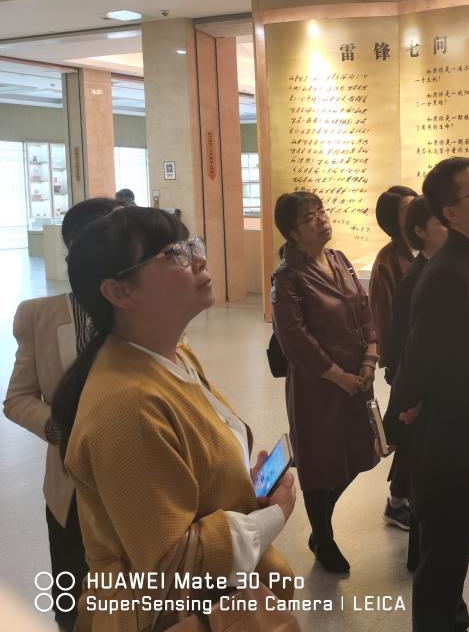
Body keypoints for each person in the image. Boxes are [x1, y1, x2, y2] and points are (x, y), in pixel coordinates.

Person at [51, 207, 295, 631]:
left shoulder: (173, 356)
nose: (198, 259)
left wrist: (243, 489)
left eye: (191, 244)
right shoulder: (129, 407)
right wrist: (273, 515)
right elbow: (172, 566)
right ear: (119, 291)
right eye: (174, 254)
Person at [389, 157, 469, 631]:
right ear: (451, 213)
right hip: (449, 446)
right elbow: (417, 361)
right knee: (441, 568)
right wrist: (401, 414)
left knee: (453, 560)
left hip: (467, 436)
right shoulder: (449, 274)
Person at [4, 197, 119, 631]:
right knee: (73, 603)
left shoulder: (142, 313)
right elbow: (18, 399)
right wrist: (60, 429)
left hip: (135, 481)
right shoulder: (39, 316)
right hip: (70, 487)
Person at [271, 192, 379, 575]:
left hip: (357, 377)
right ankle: (323, 535)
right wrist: (337, 376)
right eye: (308, 218)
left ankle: (323, 524)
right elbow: (294, 339)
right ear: (292, 232)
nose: (321, 220)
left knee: (358, 451)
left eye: (321, 212)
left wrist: (370, 356)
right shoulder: (287, 278)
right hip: (317, 387)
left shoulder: (338, 259)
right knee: (320, 461)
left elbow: (364, 308)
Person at [382, 195, 449, 572]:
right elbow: (405, 344)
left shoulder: (443, 267)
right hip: (419, 393)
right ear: (420, 231)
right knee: (417, 464)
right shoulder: (415, 277)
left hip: (428, 391)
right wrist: (408, 394)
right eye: (441, 222)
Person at [370, 184, 418, 531]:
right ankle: (397, 501)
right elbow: (383, 317)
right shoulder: (388, 261)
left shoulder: (424, 248)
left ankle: (405, 495)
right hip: (406, 360)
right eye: (407, 210)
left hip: (424, 357)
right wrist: (392, 365)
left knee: (413, 428)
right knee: (408, 429)